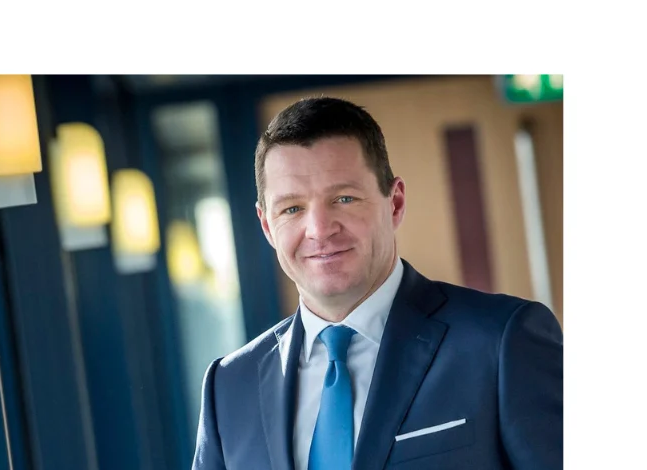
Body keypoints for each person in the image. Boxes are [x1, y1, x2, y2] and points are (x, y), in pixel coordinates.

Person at [191, 97, 562, 470]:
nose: (319, 229)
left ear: (395, 203)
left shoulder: (502, 342)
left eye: (344, 198)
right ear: (267, 226)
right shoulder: (229, 386)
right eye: (292, 208)